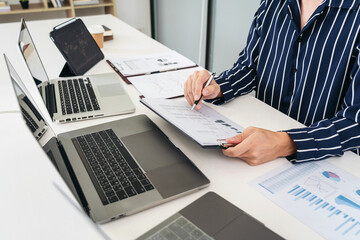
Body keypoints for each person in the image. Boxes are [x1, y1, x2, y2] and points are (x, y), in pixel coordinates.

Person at [184, 0, 360, 166]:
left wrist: (286, 143)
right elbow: (249, 66)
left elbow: (355, 122)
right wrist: (218, 87)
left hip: (326, 164)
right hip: (259, 147)